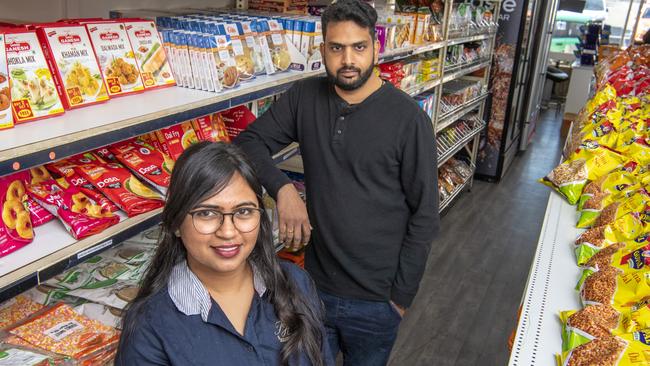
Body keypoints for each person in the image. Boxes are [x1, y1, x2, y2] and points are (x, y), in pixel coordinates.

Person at [234, 0, 440, 364]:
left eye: (359, 47)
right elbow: (249, 142)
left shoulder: (409, 120)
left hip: (377, 300)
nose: (348, 60)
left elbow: (425, 214)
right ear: (322, 48)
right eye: (336, 48)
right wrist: (283, 190)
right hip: (315, 287)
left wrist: (400, 299)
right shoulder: (304, 97)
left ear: (377, 46)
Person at [115, 142, 333, 366]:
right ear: (176, 224)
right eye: (207, 213)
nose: (228, 231)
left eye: (244, 211)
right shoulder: (150, 326)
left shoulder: (296, 282)